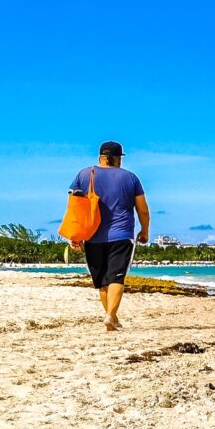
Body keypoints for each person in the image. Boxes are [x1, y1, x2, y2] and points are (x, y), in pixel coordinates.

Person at [66, 141, 149, 331]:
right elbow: (142, 210)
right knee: (116, 278)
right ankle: (111, 316)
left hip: (92, 235)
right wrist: (144, 230)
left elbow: (74, 208)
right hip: (121, 236)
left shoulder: (84, 174)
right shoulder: (130, 178)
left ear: (100, 158)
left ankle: (111, 317)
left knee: (103, 280)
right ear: (118, 158)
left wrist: (75, 234)